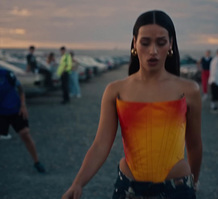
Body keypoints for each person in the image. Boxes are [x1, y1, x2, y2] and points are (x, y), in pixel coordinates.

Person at [61, 10, 202, 199]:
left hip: (176, 190)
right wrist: (78, 183)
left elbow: (194, 145)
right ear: (134, 44)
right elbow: (101, 144)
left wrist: (195, 182)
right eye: (145, 42)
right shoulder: (116, 91)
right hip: (129, 190)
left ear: (170, 45)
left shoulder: (188, 90)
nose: (153, 51)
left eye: (160, 43)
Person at [0, 59, 46, 179]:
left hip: (15, 109)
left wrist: (23, 105)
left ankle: (37, 162)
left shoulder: (4, 73)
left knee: (25, 134)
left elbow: (20, 88)